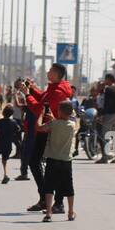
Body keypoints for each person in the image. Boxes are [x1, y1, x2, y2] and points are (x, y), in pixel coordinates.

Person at [24, 65, 74, 212]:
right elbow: (43, 98)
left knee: (42, 164)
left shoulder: (58, 92)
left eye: (50, 71)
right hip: (47, 130)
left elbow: (40, 109)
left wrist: (27, 95)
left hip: (49, 131)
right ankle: (47, 199)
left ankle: (53, 201)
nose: (47, 72)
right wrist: (31, 89)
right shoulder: (54, 88)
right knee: (45, 164)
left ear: (57, 74)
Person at [37, 100, 76, 222]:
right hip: (66, 161)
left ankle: (48, 213)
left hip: (52, 160)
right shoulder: (72, 125)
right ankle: (70, 212)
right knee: (69, 187)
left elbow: (39, 128)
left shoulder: (53, 124)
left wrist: (40, 114)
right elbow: (69, 119)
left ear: (59, 111)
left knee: (49, 186)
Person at [97, 72, 115, 164]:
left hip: (109, 114)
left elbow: (106, 103)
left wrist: (102, 114)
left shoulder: (108, 89)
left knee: (105, 135)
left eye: (106, 79)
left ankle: (105, 157)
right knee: (114, 136)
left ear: (108, 79)